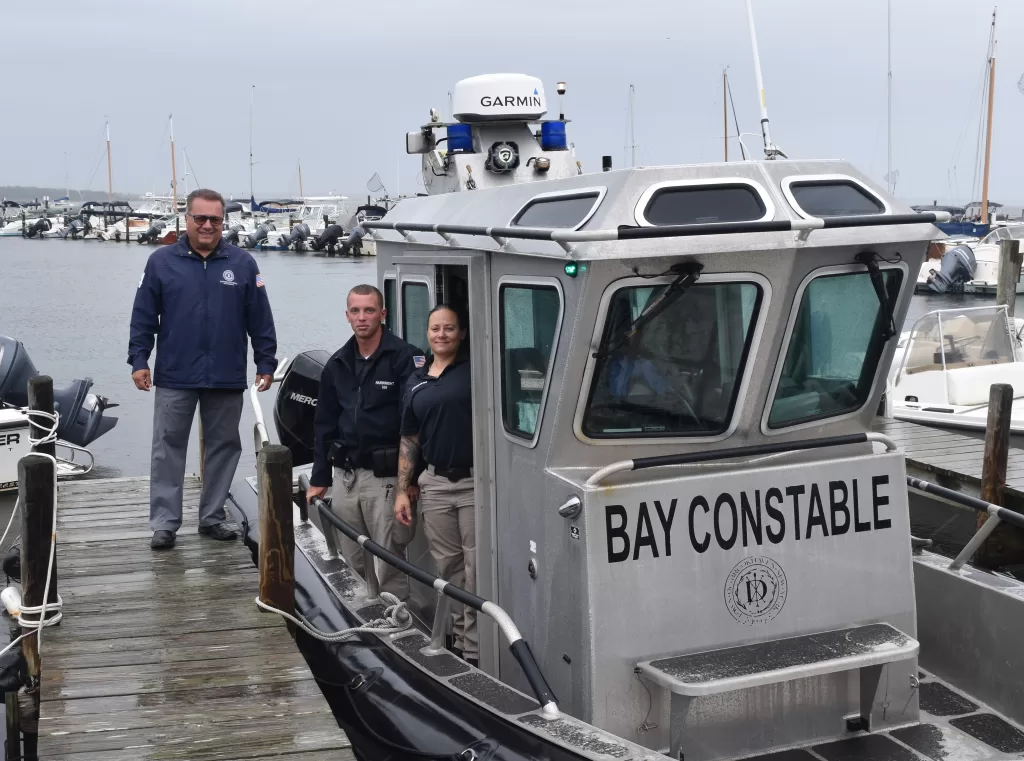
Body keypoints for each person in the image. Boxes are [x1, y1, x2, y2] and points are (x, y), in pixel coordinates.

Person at [128, 188, 277, 551]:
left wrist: (265, 361)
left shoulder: (243, 264)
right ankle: (164, 524)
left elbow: (260, 318)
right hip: (175, 374)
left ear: (223, 221)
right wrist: (139, 359)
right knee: (167, 448)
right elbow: (144, 316)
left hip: (225, 375)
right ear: (187, 220)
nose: (208, 225)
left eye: (215, 219)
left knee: (224, 446)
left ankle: (212, 517)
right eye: (201, 218)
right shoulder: (161, 262)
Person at [306, 285, 424, 600]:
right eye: (355, 311)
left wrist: (410, 479)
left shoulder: (405, 358)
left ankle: (397, 621)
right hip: (345, 476)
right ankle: (366, 619)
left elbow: (415, 423)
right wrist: (319, 478)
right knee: (352, 556)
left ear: (382, 314)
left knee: (388, 559)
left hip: (385, 477)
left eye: (369, 310)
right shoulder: (337, 363)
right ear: (347, 316)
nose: (362, 318)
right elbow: (324, 424)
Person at [394, 305, 476, 666]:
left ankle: (476, 649)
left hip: (475, 483)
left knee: (477, 570)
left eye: (449, 328)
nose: (442, 335)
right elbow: (409, 439)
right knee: (450, 569)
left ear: (462, 334)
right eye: (435, 329)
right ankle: (461, 640)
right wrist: (402, 488)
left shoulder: (476, 371)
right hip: (435, 484)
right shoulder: (416, 380)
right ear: (426, 334)